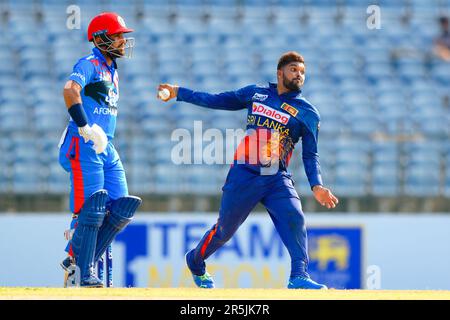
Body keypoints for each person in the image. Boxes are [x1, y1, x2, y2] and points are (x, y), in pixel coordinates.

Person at [157, 51, 339, 289]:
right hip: (245, 174)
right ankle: (195, 261)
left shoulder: (308, 113)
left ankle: (299, 276)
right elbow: (216, 100)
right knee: (224, 232)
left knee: (294, 216)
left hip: (276, 177)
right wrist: (179, 92)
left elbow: (310, 155)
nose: (299, 75)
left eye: (303, 72)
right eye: (294, 69)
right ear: (280, 72)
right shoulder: (257, 93)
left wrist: (317, 185)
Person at [58, 12, 142, 287]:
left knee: (122, 206)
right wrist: (84, 127)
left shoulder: (111, 69)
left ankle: (77, 258)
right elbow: (70, 90)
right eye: (118, 36)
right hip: (83, 143)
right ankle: (79, 272)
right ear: (101, 38)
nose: (122, 41)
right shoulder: (90, 63)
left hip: (106, 144)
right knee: (90, 209)